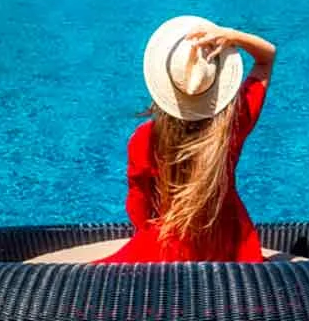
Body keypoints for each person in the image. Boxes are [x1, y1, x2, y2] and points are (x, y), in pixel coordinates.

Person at [96, 15, 276, 263]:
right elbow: (267, 58)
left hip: (167, 246)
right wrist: (233, 36)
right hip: (229, 248)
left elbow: (137, 203)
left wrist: (147, 234)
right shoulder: (233, 126)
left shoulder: (144, 139)